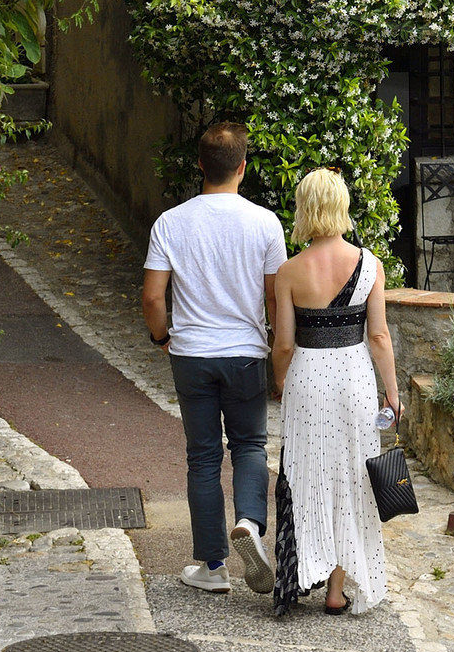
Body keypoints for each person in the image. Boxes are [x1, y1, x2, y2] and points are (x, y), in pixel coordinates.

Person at [142, 119, 286, 597]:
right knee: (249, 446)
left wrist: (162, 336)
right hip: (245, 354)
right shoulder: (265, 223)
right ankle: (249, 522)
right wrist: (277, 352)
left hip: (192, 355)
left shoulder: (170, 222)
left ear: (200, 164)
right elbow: (273, 297)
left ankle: (212, 566)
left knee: (202, 457)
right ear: (243, 168)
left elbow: (152, 298)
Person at [270, 168, 400, 618]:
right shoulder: (370, 264)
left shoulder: (288, 271)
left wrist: (282, 380)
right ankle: (336, 589)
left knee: (306, 473)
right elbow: (379, 337)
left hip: (308, 378)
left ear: (305, 209)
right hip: (354, 380)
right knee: (352, 475)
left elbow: (284, 343)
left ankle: (305, 565)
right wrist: (393, 393)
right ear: (341, 206)